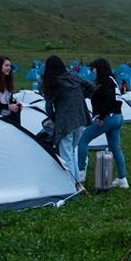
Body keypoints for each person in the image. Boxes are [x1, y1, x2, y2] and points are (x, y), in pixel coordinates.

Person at [41, 55, 96, 187]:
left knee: (66, 154)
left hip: (65, 122)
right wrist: (79, 97)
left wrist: (53, 117)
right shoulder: (73, 77)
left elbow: (49, 106)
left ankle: (71, 186)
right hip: (80, 118)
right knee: (71, 152)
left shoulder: (54, 82)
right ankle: (77, 184)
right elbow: (91, 87)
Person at [79, 59, 129, 188]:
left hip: (108, 117)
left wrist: (101, 116)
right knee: (115, 147)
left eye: (93, 68)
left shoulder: (105, 81)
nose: (92, 71)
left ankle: (80, 173)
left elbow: (109, 100)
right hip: (118, 116)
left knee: (83, 140)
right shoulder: (112, 81)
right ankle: (122, 179)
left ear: (99, 68)